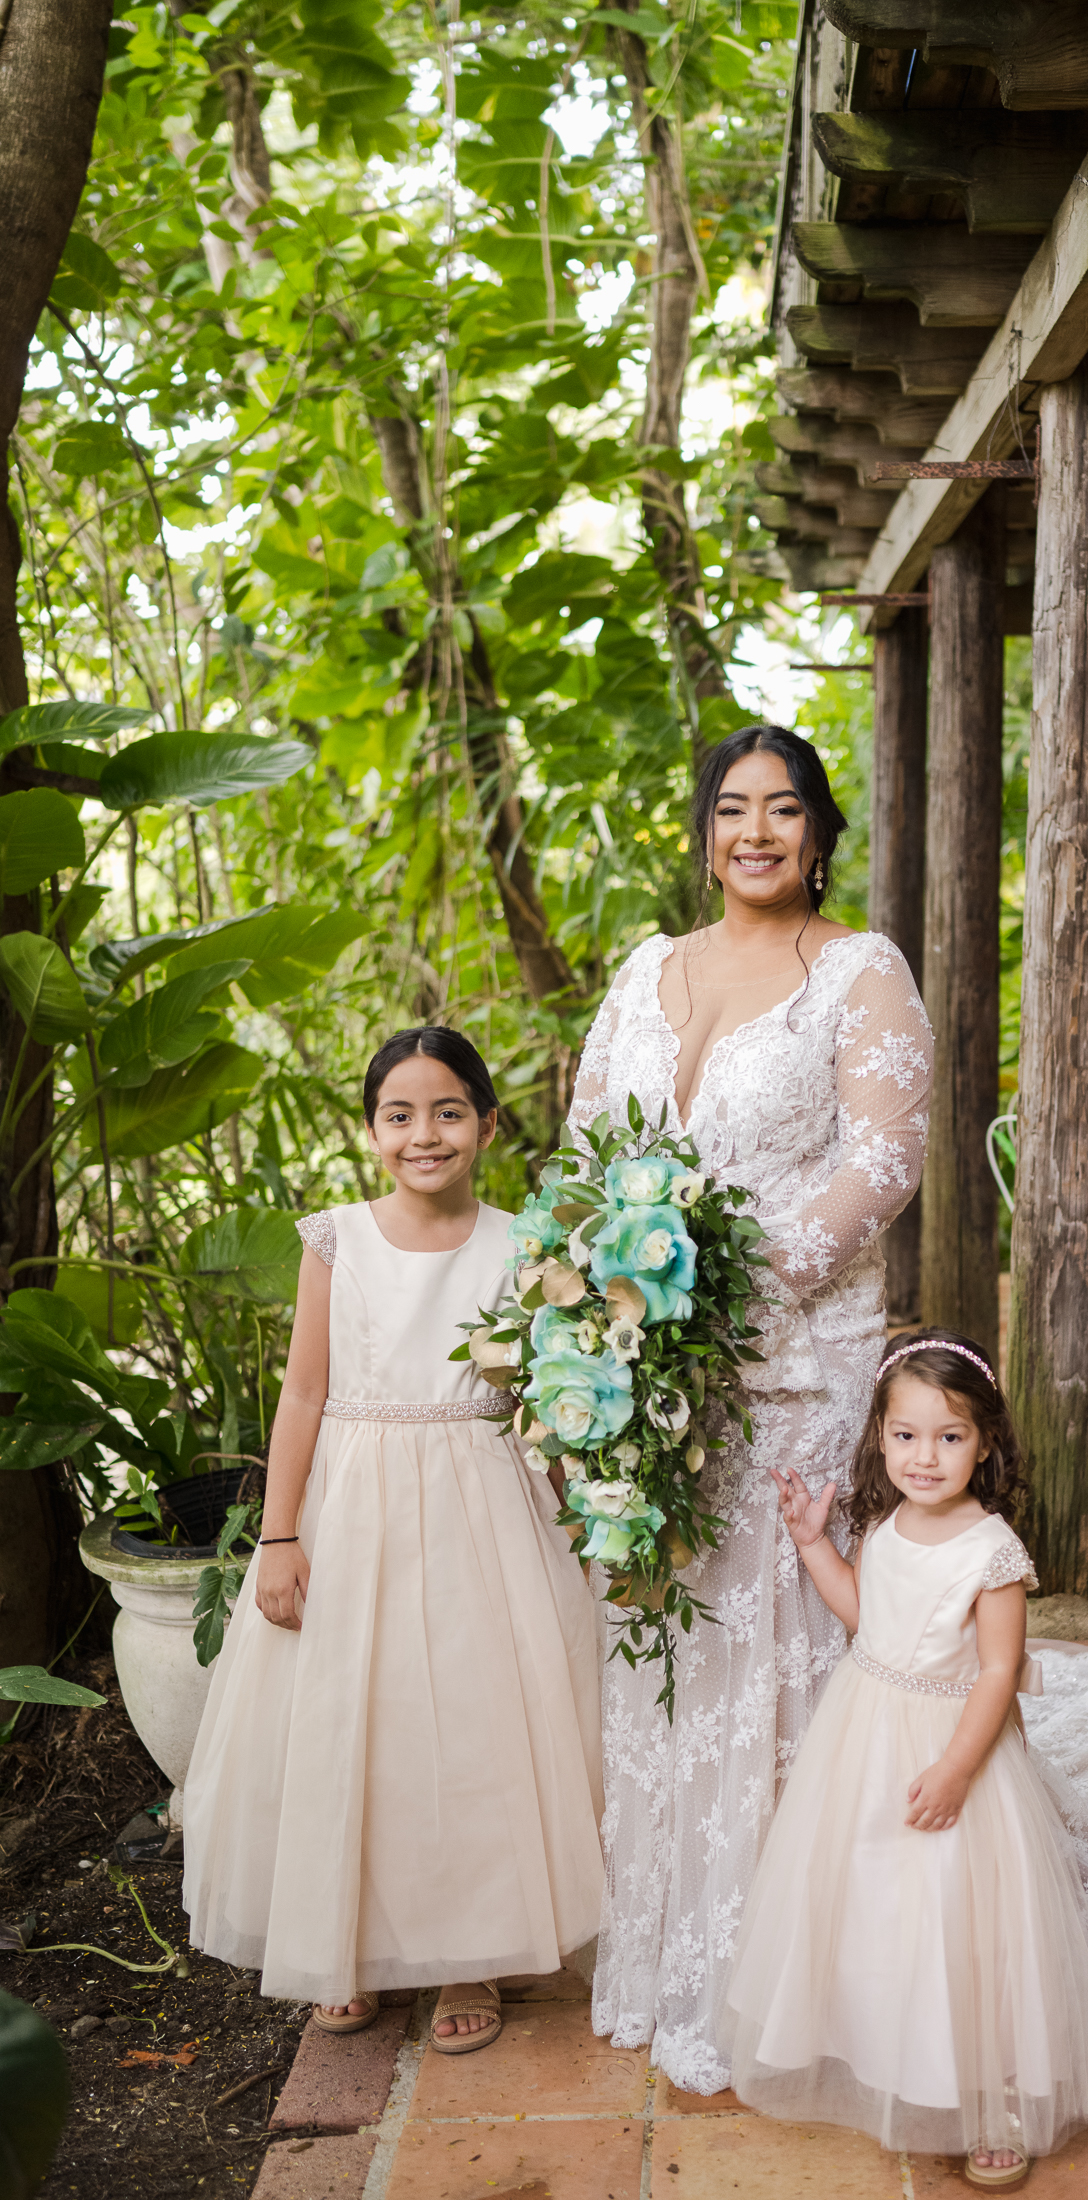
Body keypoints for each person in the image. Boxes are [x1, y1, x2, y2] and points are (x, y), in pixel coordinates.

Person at [567, 724, 934, 2093]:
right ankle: (680, 1941)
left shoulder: (858, 969)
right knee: (672, 1615)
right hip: (642, 1362)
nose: (758, 831)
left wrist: (717, 1296)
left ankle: (811, 1962)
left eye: (784, 808)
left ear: (818, 830)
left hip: (789, 1354)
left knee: (783, 1624)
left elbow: (882, 1162)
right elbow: (590, 1147)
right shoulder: (644, 971)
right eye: (734, 808)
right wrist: (608, 1298)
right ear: (704, 829)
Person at [183, 1026, 604, 2054]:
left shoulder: (525, 1244)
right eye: (400, 1114)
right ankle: (350, 1947)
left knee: (471, 1724)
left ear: (489, 1125)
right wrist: (279, 1535)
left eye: (450, 1110)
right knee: (353, 1722)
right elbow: (304, 1393)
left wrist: (586, 1521)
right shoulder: (338, 1239)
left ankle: (469, 1950)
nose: (426, 1133)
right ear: (371, 1131)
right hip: (357, 1505)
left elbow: (548, 1396)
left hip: (483, 1505)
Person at [722, 1330, 1088, 2186]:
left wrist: (957, 1769)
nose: (926, 1456)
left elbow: (997, 1674)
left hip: (954, 1744)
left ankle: (994, 2094)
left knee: (962, 1912)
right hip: (864, 1731)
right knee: (872, 1901)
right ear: (881, 1437)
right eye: (907, 1435)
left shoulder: (992, 1552)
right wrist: (814, 1546)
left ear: (984, 1443)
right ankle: (879, 2048)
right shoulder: (882, 1524)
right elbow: (864, 1618)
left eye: (950, 1437)